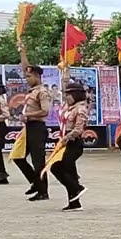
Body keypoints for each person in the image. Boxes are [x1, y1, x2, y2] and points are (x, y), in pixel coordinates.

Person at [14, 42, 53, 201]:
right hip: (29, 127)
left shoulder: (42, 92)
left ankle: (43, 191)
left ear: (37, 76)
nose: (27, 79)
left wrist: (29, 116)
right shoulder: (32, 91)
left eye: (29, 76)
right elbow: (25, 66)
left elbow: (45, 111)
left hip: (38, 127)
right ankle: (35, 183)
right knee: (18, 156)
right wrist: (22, 52)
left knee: (38, 161)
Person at [51, 83, 90, 211]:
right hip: (65, 141)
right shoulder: (68, 107)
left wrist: (65, 138)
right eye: (66, 94)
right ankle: (74, 202)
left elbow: (78, 129)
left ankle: (76, 188)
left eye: (70, 94)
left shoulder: (81, 109)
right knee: (68, 171)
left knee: (58, 166)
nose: (67, 97)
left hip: (74, 142)